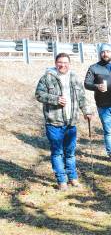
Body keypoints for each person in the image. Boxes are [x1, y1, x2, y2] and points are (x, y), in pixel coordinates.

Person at [35, 53, 92, 190]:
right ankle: (62, 181)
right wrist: (55, 99)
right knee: (57, 152)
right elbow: (39, 94)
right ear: (55, 63)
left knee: (70, 153)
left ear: (69, 64)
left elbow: (82, 98)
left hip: (71, 123)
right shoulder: (47, 78)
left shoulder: (74, 78)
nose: (62, 65)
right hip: (54, 123)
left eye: (65, 62)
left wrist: (87, 111)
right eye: (60, 62)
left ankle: (72, 178)